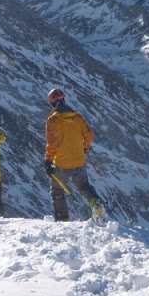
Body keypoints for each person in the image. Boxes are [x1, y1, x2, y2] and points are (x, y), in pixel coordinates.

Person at [44, 88, 103, 222]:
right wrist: (83, 148)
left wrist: (48, 161)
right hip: (79, 160)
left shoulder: (53, 120)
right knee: (84, 186)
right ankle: (96, 205)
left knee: (57, 191)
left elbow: (51, 143)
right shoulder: (77, 117)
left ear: (53, 104)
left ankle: (63, 220)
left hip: (62, 162)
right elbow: (89, 135)